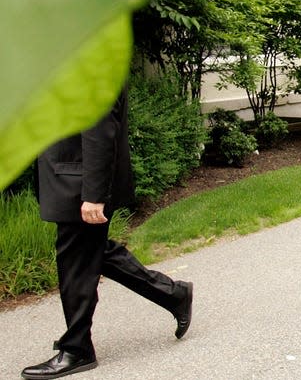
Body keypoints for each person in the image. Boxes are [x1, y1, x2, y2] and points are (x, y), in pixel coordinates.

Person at [22, 87, 193, 379]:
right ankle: (174, 294)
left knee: (76, 260)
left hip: (81, 182)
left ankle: (78, 350)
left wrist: (94, 194)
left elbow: (99, 127)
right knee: (92, 253)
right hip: (68, 176)